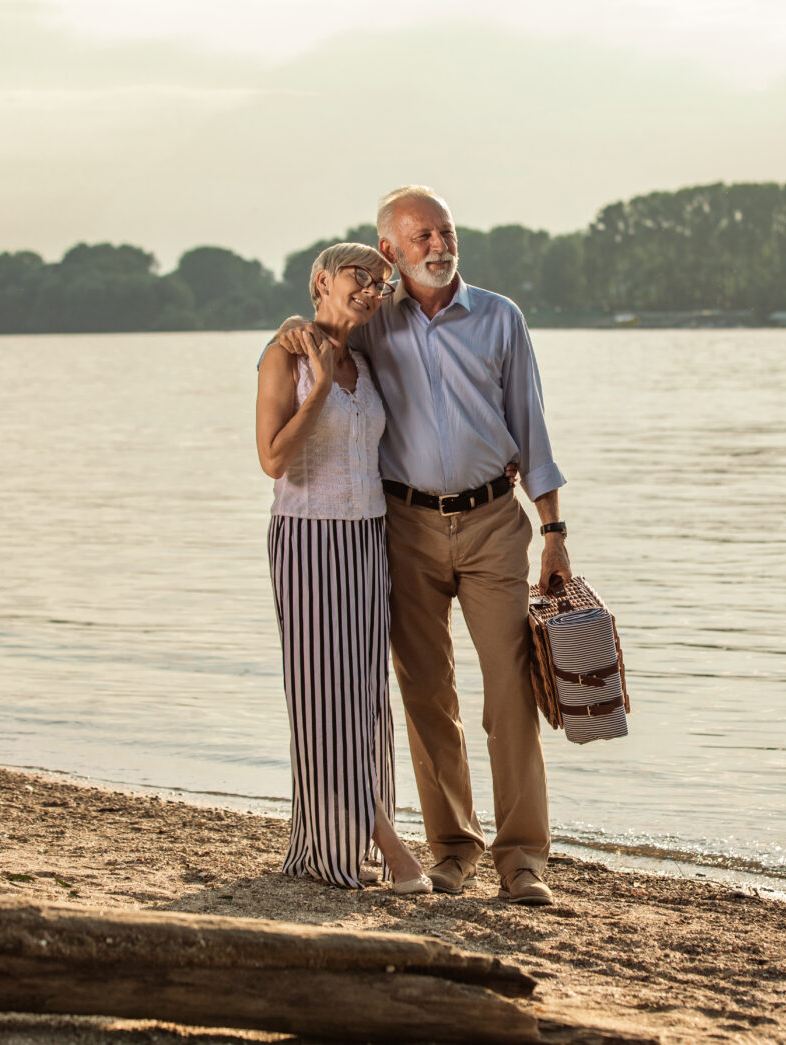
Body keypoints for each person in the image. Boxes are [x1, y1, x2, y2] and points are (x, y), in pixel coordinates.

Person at [273, 185, 569, 906]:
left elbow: (531, 429)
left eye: (446, 232)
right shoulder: (374, 324)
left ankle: (523, 856)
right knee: (426, 694)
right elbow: (321, 335)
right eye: (423, 237)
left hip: (494, 522)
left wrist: (555, 533)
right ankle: (453, 849)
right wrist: (293, 327)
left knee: (509, 690)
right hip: (401, 527)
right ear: (390, 252)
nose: (439, 246)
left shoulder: (501, 318)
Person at [255, 242, 432, 895]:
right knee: (320, 700)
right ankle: (383, 834)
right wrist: (321, 384)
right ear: (322, 281)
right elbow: (272, 460)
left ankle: (339, 843)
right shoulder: (286, 356)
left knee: (363, 701)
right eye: (361, 277)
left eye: (381, 282)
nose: (373, 289)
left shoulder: (369, 358)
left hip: (368, 538)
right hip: (307, 538)